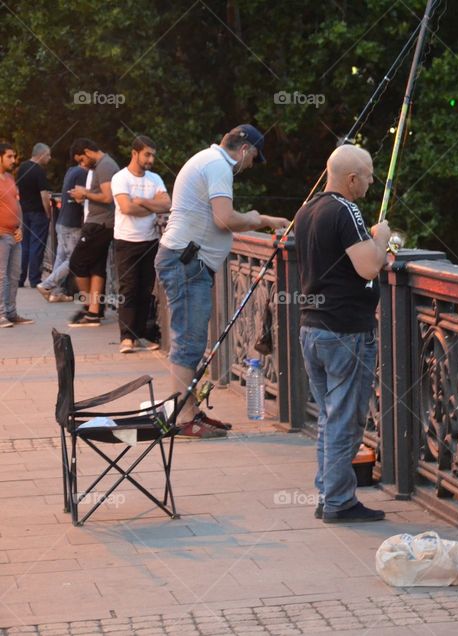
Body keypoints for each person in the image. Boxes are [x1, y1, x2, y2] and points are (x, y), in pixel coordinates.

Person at [155, 124, 287, 438]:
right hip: (188, 264)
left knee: (190, 339)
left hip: (186, 262)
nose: (251, 165)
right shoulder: (219, 166)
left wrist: (261, 219)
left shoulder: (207, 160)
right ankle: (184, 417)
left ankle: (188, 410)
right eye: (254, 158)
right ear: (244, 149)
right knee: (188, 341)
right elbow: (225, 218)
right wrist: (259, 218)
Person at [295, 144, 389, 523]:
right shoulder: (346, 209)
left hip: (312, 328)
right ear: (351, 179)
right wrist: (381, 236)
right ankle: (338, 501)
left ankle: (328, 493)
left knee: (329, 418)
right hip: (345, 332)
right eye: (367, 175)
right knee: (345, 421)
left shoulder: (306, 210)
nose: (370, 181)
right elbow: (368, 267)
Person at [111, 135, 170, 353]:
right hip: (126, 240)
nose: (151, 160)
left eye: (153, 155)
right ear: (134, 153)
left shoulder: (154, 178)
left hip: (150, 240)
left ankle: (143, 334)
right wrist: (152, 207)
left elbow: (167, 203)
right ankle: (127, 337)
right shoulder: (120, 178)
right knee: (129, 288)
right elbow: (126, 208)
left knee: (146, 289)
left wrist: (143, 202)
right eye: (147, 154)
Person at [66, 138, 120, 327]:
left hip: (100, 225)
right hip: (102, 223)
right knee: (96, 268)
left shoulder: (104, 166)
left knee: (76, 263)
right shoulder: (103, 165)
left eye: (81, 160)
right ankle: (94, 313)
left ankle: (88, 305)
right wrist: (85, 194)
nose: (81, 165)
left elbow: (107, 196)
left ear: (88, 152)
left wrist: (85, 194)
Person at [38, 154, 87, 302]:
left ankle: (56, 292)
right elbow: (80, 198)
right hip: (72, 224)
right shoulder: (82, 174)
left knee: (60, 258)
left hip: (62, 221)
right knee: (73, 259)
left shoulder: (71, 171)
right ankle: (47, 285)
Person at [0, 143, 31, 327]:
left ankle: (11, 313)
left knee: (14, 276)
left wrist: (20, 227)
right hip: (1, 235)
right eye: (10, 156)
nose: (14, 160)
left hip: (14, 234)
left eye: (14, 156)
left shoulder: (10, 178)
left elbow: (15, 204)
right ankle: (1, 314)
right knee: (1, 276)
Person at [16, 143, 52, 288]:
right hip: (38, 212)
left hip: (24, 212)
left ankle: (20, 277)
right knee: (37, 246)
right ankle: (34, 279)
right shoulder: (39, 171)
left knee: (25, 245)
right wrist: (48, 213)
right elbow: (44, 195)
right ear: (41, 154)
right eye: (48, 155)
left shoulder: (22, 168)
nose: (50, 158)